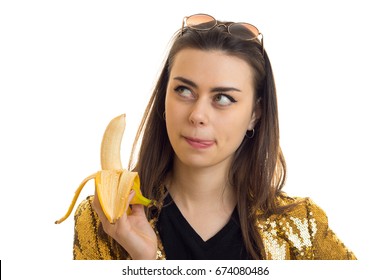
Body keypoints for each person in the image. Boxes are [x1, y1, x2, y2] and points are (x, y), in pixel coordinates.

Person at [72, 13, 356, 260]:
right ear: (164, 98)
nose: (197, 115)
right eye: (184, 91)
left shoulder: (302, 225)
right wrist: (144, 262)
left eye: (222, 97)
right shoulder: (105, 219)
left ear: (255, 114)